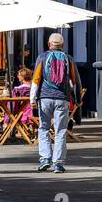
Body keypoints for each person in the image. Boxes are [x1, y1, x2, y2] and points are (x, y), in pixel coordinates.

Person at [30, 34, 80, 174]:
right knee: (60, 131)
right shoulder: (68, 58)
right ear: (62, 45)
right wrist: (76, 98)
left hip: (45, 97)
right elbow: (74, 81)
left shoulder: (42, 57)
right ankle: (58, 163)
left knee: (44, 128)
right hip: (62, 98)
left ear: (48, 44)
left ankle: (45, 158)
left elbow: (36, 79)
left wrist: (32, 99)